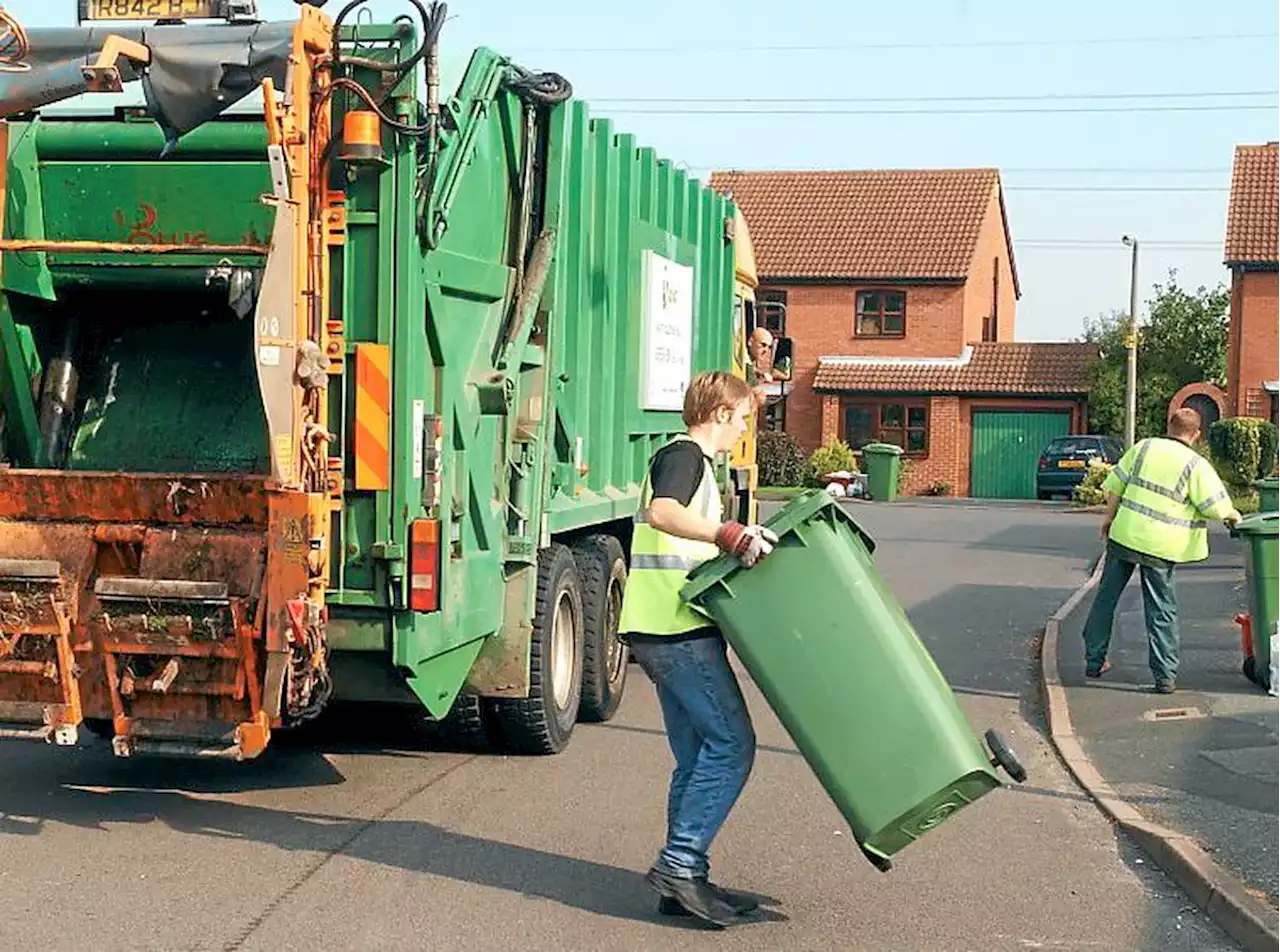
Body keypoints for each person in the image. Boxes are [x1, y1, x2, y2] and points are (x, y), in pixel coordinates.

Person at [617, 370, 779, 928]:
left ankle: (683, 877)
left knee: (697, 758)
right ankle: (679, 865)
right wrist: (727, 534)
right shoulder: (683, 456)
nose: (742, 430)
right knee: (732, 745)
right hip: (676, 632)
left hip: (663, 629)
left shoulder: (696, 464)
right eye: (741, 419)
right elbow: (664, 512)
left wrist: (737, 549)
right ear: (720, 414)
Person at [1082, 408, 1242, 694]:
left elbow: (1116, 486)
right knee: (1161, 610)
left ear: (1169, 426)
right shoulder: (1195, 465)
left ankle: (1094, 662)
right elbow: (1215, 506)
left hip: (1125, 535)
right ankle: (1164, 677)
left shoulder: (1143, 448)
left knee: (1106, 598)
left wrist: (1107, 519)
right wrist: (1234, 516)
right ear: (1196, 434)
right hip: (1161, 546)